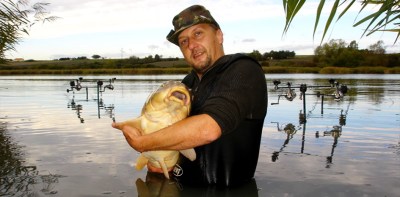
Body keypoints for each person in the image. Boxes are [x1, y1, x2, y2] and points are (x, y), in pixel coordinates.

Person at [112, 4, 268, 187]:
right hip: (180, 186)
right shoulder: (186, 85)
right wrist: (160, 159)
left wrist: (143, 143)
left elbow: (208, 129)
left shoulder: (244, 70)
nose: (192, 45)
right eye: (183, 41)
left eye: (198, 34)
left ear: (218, 35)